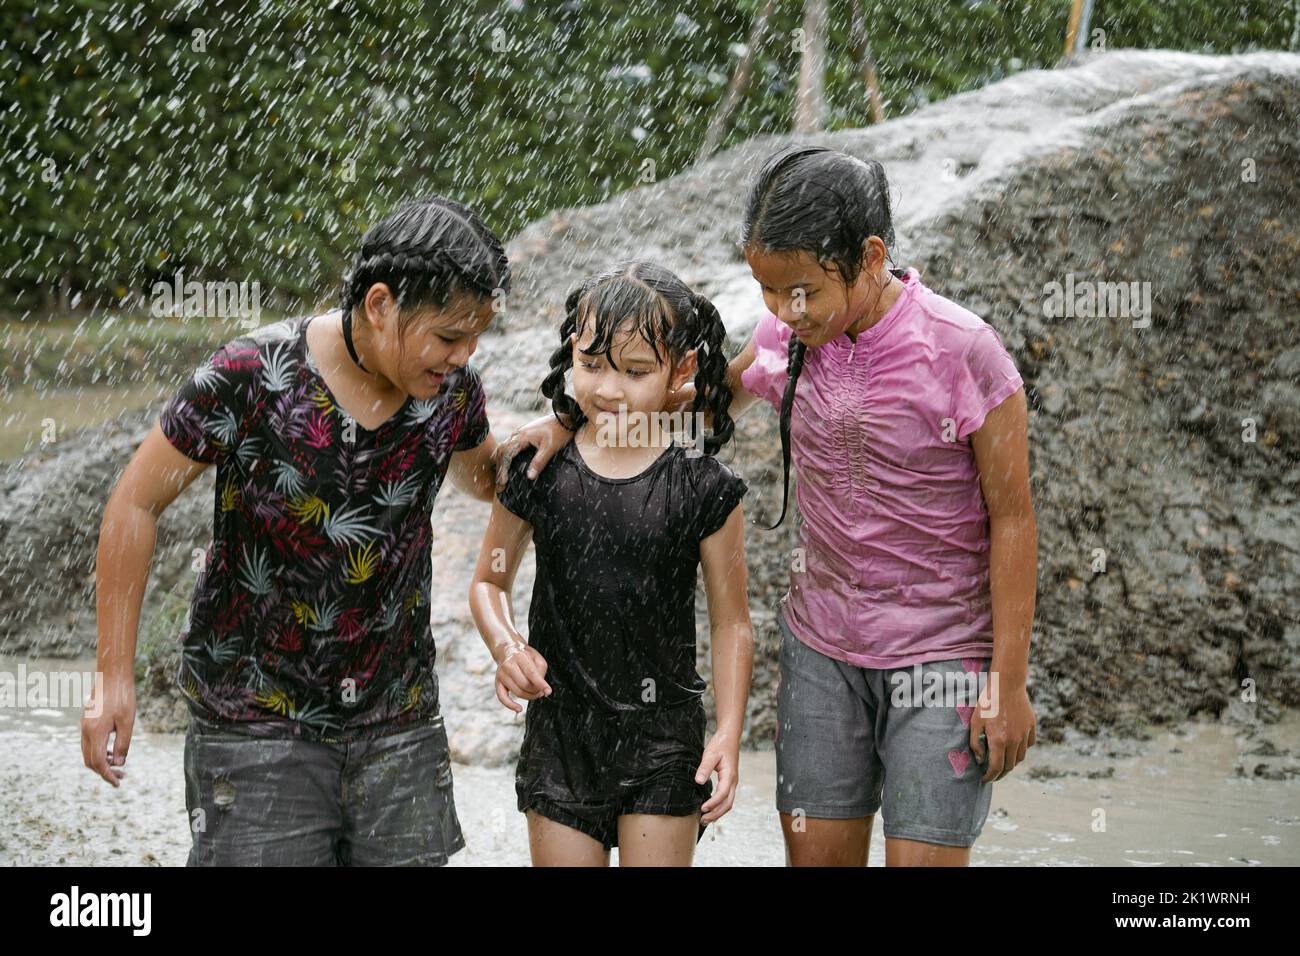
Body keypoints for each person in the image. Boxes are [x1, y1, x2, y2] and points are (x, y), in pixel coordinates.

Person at [499, 146, 1038, 867]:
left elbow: (1013, 518)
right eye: (768, 289)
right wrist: (566, 420)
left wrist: (1007, 682)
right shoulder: (786, 339)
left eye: (804, 289)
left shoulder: (966, 352)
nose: (786, 310)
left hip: (941, 656)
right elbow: (679, 401)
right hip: (822, 651)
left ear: (871, 257)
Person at [83, 194, 511, 866]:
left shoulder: (451, 393)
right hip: (255, 719)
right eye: (451, 336)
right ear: (379, 305)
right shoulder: (251, 377)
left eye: (476, 338)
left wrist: (554, 437)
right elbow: (133, 505)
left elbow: (486, 479)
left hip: (398, 721)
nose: (464, 355)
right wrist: (114, 677)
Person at [471, 260, 753, 866]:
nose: (607, 389)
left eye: (635, 372)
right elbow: (490, 580)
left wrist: (729, 731)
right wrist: (507, 647)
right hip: (561, 735)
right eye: (592, 365)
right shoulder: (539, 473)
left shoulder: (703, 488)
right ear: (570, 351)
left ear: (680, 372)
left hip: (663, 738)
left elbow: (733, 622)